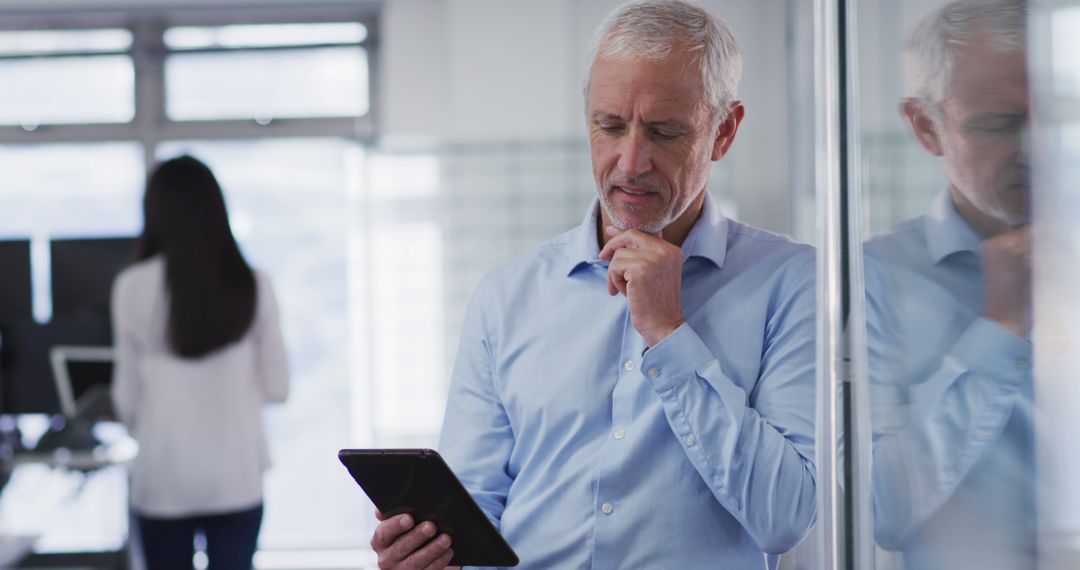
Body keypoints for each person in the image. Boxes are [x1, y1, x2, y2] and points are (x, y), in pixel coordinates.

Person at [369, 1, 817, 568]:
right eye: (610, 126)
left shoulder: (794, 284)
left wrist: (669, 333)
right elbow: (474, 507)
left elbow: (785, 517)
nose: (631, 162)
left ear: (723, 131)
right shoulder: (506, 297)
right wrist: (430, 549)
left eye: (664, 131)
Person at [865, 1, 1034, 568]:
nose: (1035, 151)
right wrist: (1001, 326)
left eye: (1058, 117)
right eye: (998, 124)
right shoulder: (872, 279)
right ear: (924, 126)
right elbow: (878, 510)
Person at [111, 155, 290, 569]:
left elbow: (126, 400)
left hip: (161, 476)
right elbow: (278, 387)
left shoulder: (132, 287)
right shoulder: (253, 283)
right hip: (236, 476)